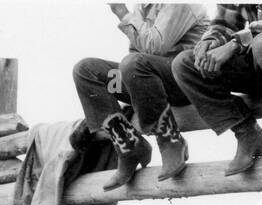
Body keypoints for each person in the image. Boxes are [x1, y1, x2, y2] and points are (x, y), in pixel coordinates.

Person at [71, 3, 209, 187]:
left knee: (132, 63)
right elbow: (137, 53)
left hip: (184, 82)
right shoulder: (144, 7)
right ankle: (129, 147)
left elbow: (154, 46)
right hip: (151, 81)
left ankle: (171, 140)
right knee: (86, 70)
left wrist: (122, 13)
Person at [172, 4, 262, 174]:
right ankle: (247, 133)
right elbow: (223, 22)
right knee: (185, 63)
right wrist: (209, 42)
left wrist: (235, 43)